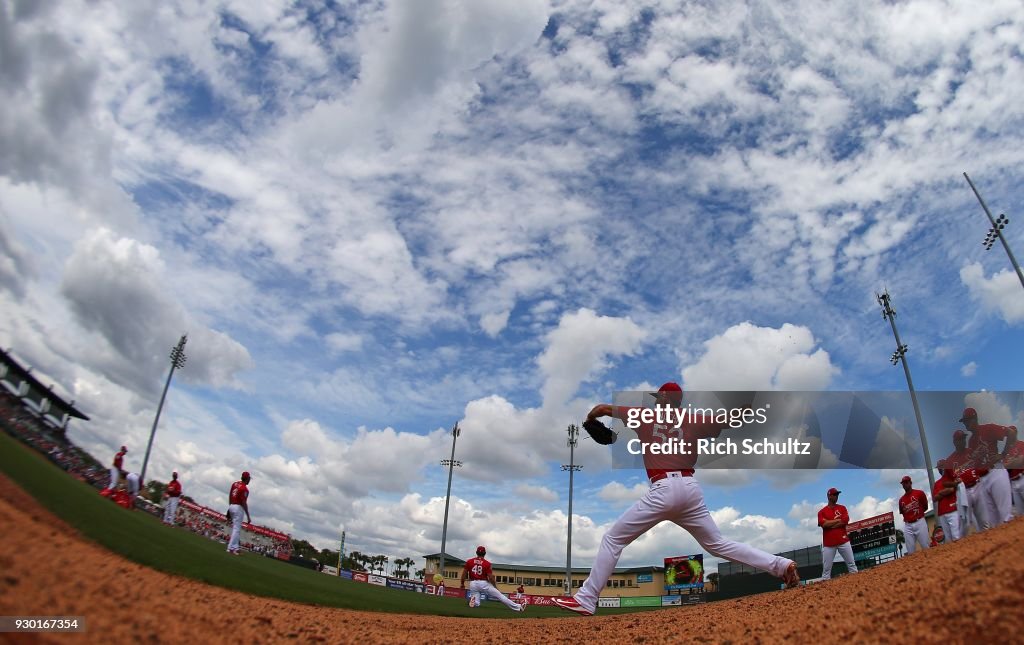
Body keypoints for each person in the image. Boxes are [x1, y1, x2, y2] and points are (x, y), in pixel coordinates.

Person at [552, 382, 799, 617]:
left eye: (658, 398)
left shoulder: (645, 415)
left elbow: (601, 409)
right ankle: (780, 565)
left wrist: (589, 419)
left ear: (663, 399)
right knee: (718, 543)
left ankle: (586, 598)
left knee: (613, 539)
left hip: (664, 488)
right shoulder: (693, 418)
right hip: (690, 490)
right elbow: (728, 421)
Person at [959, 407, 1016, 526]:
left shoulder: (988, 428)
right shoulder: (971, 441)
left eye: (967, 421)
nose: (965, 424)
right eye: (964, 421)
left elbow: (1010, 433)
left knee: (1006, 516)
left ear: (974, 419)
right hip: (983, 480)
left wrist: (1004, 454)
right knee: (993, 523)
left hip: (996, 473)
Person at [460, 546, 525, 612]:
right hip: (483, 583)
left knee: (477, 603)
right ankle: (518, 607)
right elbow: (490, 577)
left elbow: (464, 574)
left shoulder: (469, 561)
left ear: (476, 552)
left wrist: (462, 584)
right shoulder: (487, 564)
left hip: (473, 583)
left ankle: (473, 602)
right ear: (485, 553)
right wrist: (495, 586)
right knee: (499, 595)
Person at [944, 429, 986, 532]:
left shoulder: (972, 452)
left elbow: (983, 467)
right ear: (954, 442)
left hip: (977, 486)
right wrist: (954, 483)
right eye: (959, 439)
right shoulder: (949, 461)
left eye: (963, 438)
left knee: (984, 521)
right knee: (965, 524)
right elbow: (945, 482)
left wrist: (983, 455)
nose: (962, 441)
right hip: (963, 491)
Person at [818, 487, 858, 579]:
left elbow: (845, 521)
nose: (837, 496)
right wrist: (837, 521)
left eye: (837, 495)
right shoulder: (821, 512)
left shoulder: (842, 508)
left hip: (843, 541)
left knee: (852, 565)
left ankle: (857, 584)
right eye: (834, 495)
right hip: (829, 544)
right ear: (829, 496)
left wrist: (830, 523)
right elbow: (824, 525)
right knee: (826, 571)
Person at [898, 476, 929, 554]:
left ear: (910, 483)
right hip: (908, 525)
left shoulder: (919, 493)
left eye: (906, 482)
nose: (904, 484)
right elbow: (903, 512)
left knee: (925, 546)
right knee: (910, 551)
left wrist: (918, 514)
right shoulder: (901, 500)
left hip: (919, 521)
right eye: (903, 483)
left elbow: (925, 507)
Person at [932, 460, 961, 542]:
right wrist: (945, 491)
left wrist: (941, 492)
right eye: (938, 468)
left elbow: (951, 489)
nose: (940, 469)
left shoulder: (952, 478)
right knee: (948, 539)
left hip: (952, 510)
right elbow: (935, 498)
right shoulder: (937, 483)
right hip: (942, 513)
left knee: (956, 536)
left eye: (941, 467)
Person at [226, 471, 251, 555]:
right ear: (247, 479)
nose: (249, 480)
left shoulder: (235, 484)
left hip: (232, 505)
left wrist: (230, 507)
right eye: (249, 478)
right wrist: (248, 515)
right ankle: (230, 548)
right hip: (238, 508)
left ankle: (236, 548)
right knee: (236, 529)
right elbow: (244, 502)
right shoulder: (245, 489)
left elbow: (230, 495)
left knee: (237, 529)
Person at [1004, 436, 1024, 516]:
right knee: (1020, 514)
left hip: (1022, 477)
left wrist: (1009, 463)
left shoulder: (1021, 444)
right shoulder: (1006, 451)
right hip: (1013, 482)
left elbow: (1020, 461)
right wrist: (1013, 461)